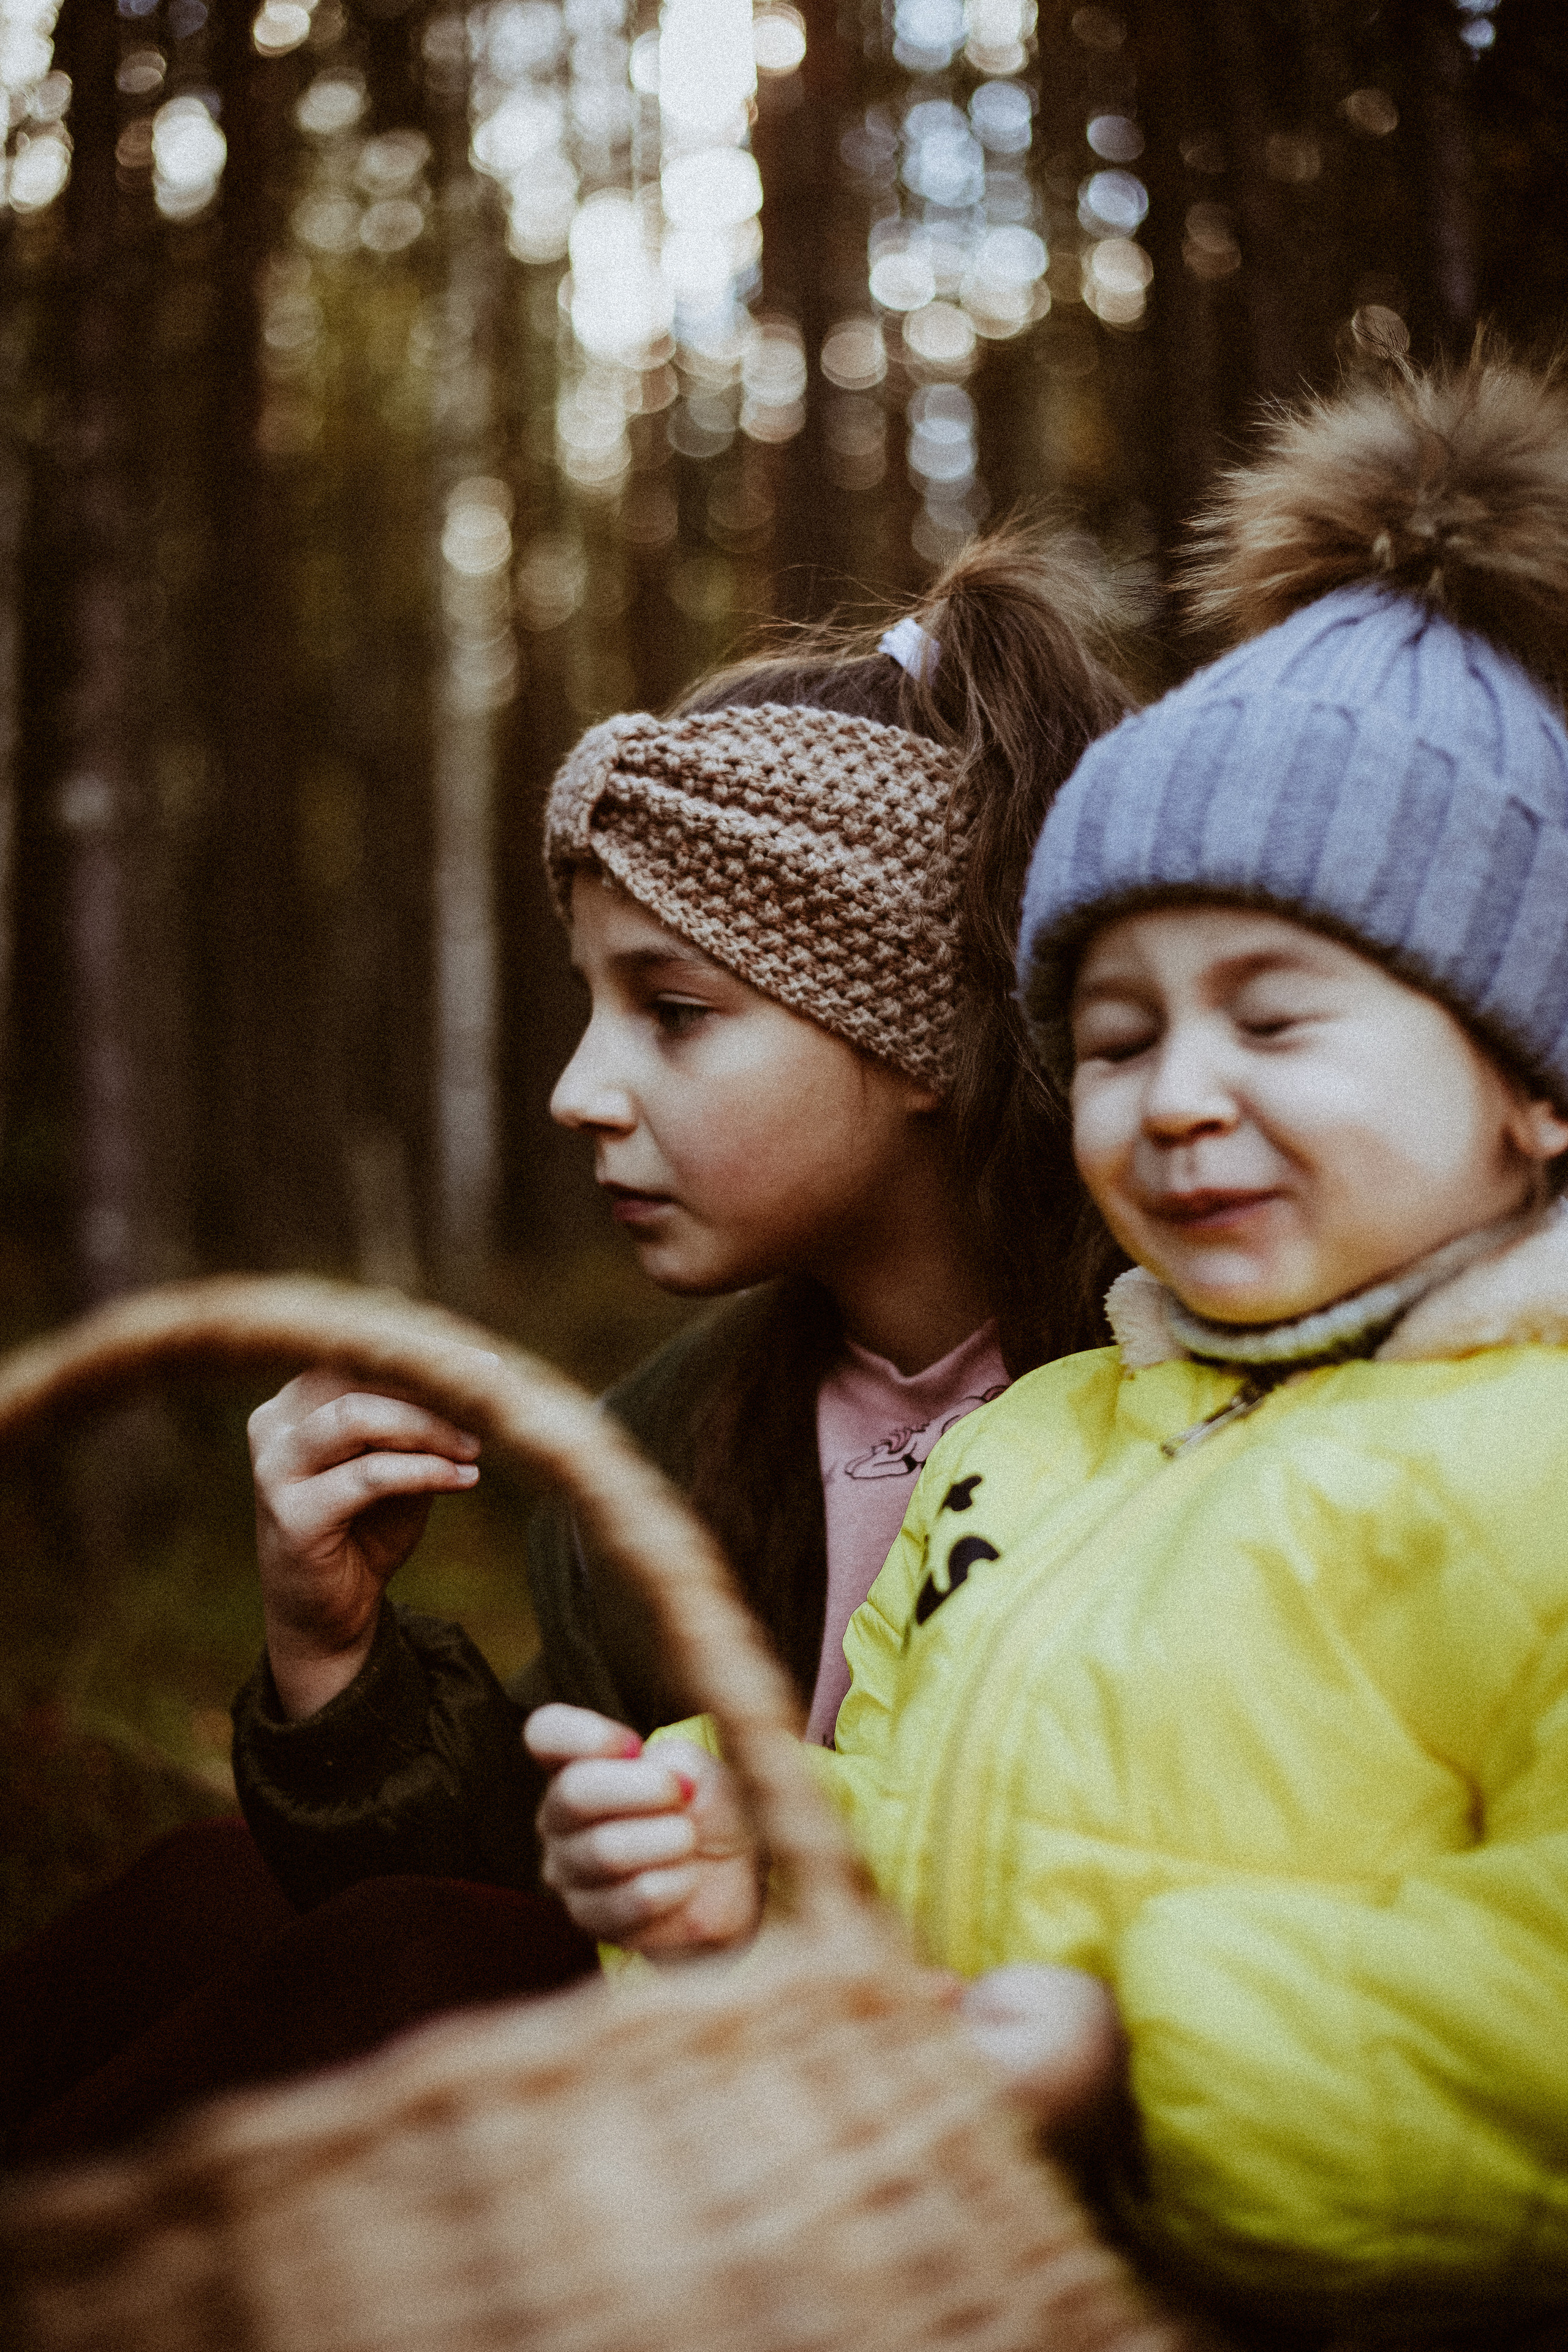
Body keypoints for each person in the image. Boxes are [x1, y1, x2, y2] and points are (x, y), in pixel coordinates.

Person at [532, 350, 1568, 2340]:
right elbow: (927, 1816)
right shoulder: (1044, 1442)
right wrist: (738, 1849)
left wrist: (1137, 2056)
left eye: (1271, 1024)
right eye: (1114, 1036)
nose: (1177, 1097)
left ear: (1532, 1087)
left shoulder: (1529, 1470)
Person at [1, 530, 1133, 2162]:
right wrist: (336, 1662)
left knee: (417, 1961)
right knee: (204, 1897)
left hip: (931, 2151)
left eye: (671, 1011)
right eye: (590, 1005)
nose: (579, 1090)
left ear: (919, 1032)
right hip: (672, 2073)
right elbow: (530, 1878)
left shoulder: (1169, 1401)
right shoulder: (683, 1439)